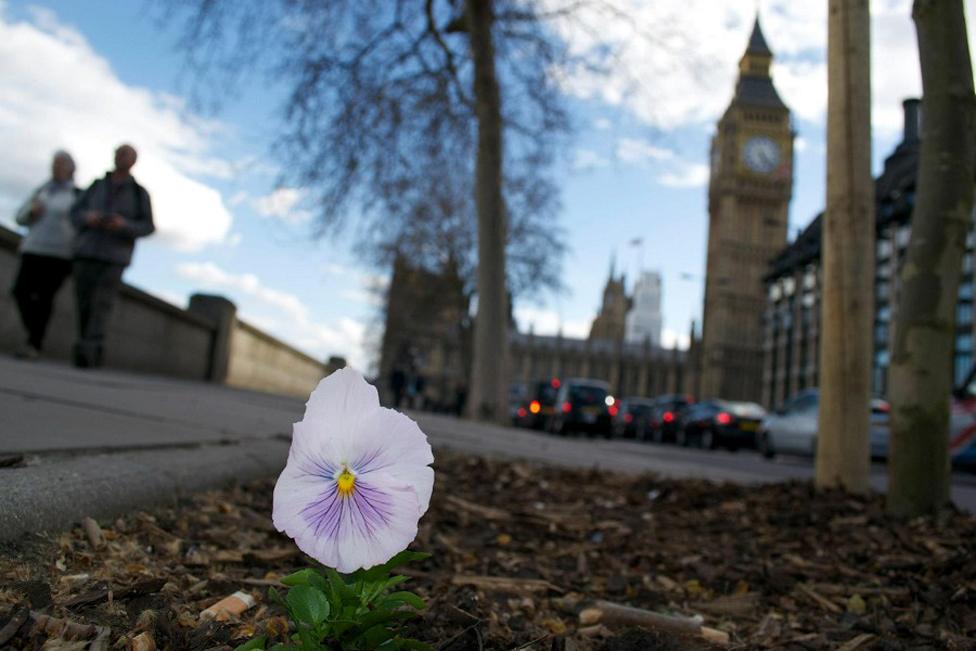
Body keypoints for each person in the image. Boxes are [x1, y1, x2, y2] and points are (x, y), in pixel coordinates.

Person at [70, 144, 154, 368]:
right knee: (84, 301)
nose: (122, 158)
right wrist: (88, 218)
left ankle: (90, 352)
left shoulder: (139, 193)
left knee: (102, 303)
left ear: (134, 161)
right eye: (119, 154)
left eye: (127, 155)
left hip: (115, 256)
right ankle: (85, 345)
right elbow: (74, 213)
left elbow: (148, 226)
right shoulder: (97, 186)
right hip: (87, 251)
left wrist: (123, 225)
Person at [11, 151, 81, 359]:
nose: (56, 168)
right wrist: (32, 213)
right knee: (19, 291)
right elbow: (20, 217)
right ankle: (34, 334)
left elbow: (81, 224)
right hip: (32, 248)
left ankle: (34, 343)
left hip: (60, 254)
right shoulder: (42, 191)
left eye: (61, 164)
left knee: (45, 298)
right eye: (54, 164)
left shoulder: (77, 195)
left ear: (71, 169)